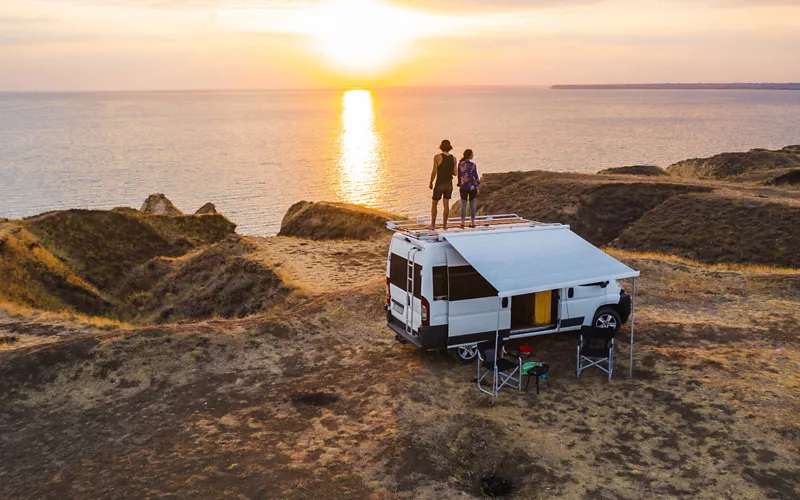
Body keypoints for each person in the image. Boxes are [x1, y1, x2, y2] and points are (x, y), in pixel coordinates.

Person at [428, 139, 457, 230]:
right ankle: (444, 225)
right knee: (446, 205)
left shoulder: (437, 157)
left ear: (441, 147)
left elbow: (434, 172)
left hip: (440, 183)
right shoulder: (454, 158)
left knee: (434, 204)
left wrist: (431, 182)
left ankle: (433, 224)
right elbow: (455, 173)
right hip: (449, 184)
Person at [457, 149, 480, 228]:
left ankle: (462, 223)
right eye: (472, 154)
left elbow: (459, 175)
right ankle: (473, 223)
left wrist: (459, 183)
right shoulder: (473, 165)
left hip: (463, 186)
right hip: (472, 187)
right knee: (472, 204)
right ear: (470, 155)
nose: (473, 155)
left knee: (463, 204)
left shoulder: (460, 164)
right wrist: (477, 186)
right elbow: (475, 176)